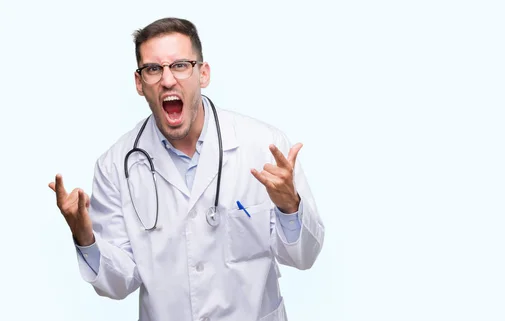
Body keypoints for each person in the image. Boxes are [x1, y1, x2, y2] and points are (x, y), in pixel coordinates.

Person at [48, 17, 325, 321]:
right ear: (139, 83)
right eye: (153, 69)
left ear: (203, 74)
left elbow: (303, 257)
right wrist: (84, 236)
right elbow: (118, 283)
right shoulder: (115, 166)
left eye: (180, 65)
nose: (167, 80)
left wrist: (290, 207)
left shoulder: (264, 146)